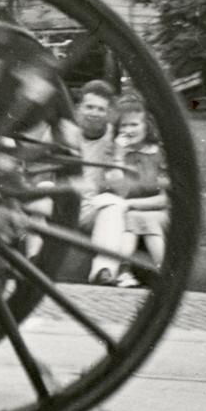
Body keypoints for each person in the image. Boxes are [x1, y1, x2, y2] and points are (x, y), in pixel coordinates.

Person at [67, 81, 131, 285]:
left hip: (90, 208)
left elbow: (122, 188)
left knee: (113, 205)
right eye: (89, 106)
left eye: (101, 109)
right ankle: (35, 261)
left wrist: (118, 156)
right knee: (44, 189)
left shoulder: (117, 139)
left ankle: (103, 271)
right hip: (62, 203)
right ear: (78, 109)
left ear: (109, 113)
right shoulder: (64, 132)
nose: (94, 113)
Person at [102, 100, 169, 287]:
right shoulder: (116, 154)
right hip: (127, 214)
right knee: (133, 218)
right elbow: (118, 191)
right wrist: (119, 156)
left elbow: (165, 199)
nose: (128, 130)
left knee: (140, 218)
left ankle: (163, 273)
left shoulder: (159, 155)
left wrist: (132, 205)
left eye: (134, 124)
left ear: (146, 126)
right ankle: (125, 273)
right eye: (124, 125)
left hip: (158, 212)